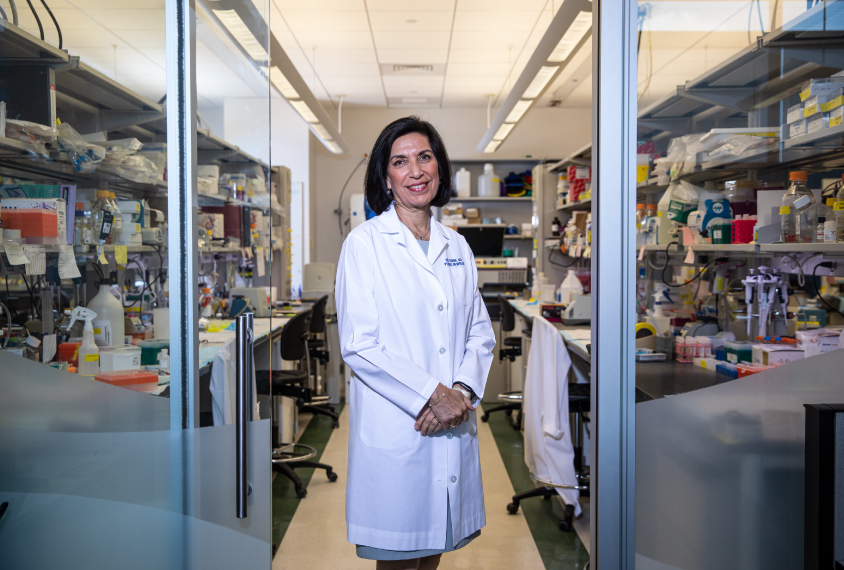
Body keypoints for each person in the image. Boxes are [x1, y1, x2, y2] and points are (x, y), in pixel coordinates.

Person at [336, 116, 496, 570]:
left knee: (432, 558)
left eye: (424, 157)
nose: (416, 171)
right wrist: (433, 394)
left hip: (449, 420)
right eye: (400, 162)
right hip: (403, 427)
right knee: (400, 560)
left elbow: (479, 332)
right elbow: (360, 345)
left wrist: (459, 394)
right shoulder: (364, 245)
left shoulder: (457, 246)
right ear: (386, 178)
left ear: (439, 167)